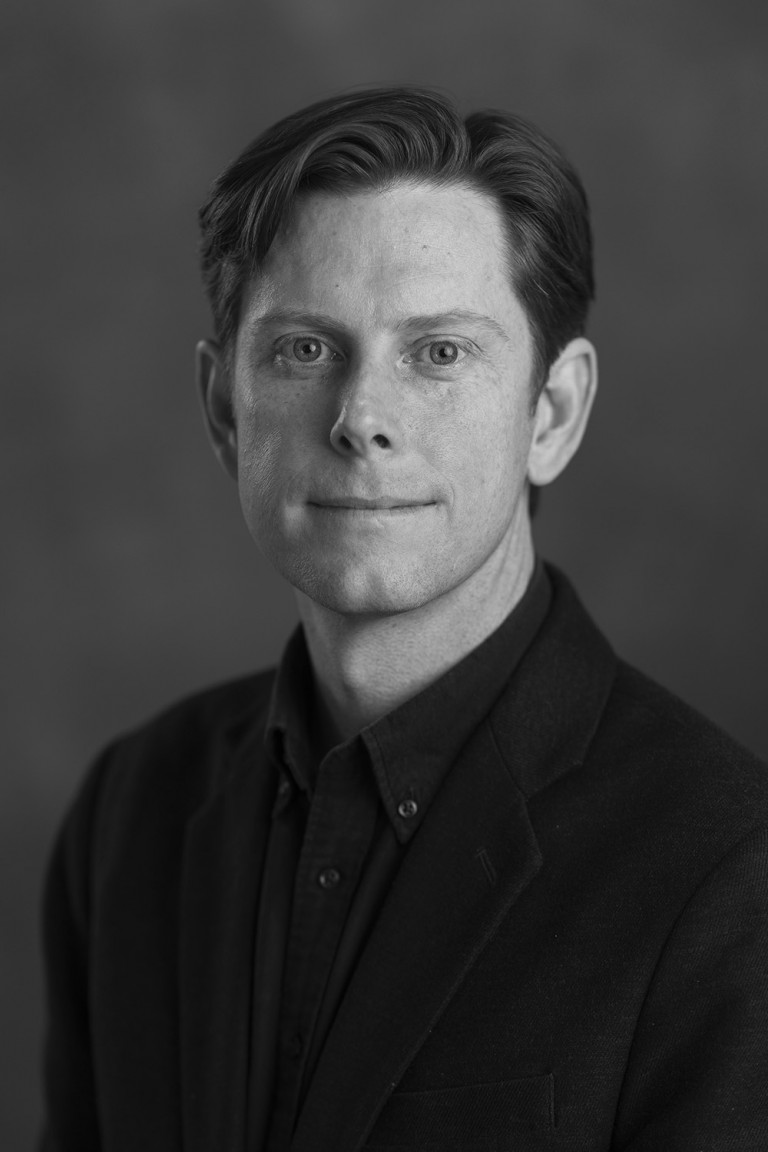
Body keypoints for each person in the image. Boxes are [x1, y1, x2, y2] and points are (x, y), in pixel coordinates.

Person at [40, 87, 768, 1152]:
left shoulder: (729, 871)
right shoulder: (129, 816)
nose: (361, 419)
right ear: (223, 409)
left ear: (552, 413)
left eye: (438, 353)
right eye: (303, 349)